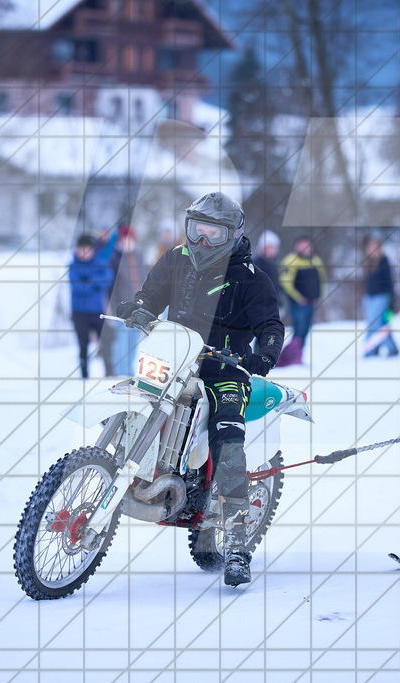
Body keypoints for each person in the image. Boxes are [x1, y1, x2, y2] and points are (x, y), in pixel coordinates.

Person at [115, 191, 283, 587]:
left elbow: (271, 327)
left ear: (233, 235)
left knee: (228, 436)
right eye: (197, 230)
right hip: (175, 358)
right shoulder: (177, 259)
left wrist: (264, 356)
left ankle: (238, 541)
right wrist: (139, 307)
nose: (203, 241)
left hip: (227, 369)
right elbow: (151, 295)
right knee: (133, 395)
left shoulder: (251, 278)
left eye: (214, 234)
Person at [69, 234, 114, 378]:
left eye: (87, 249)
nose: (84, 252)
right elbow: (77, 287)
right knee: (83, 345)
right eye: (81, 249)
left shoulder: (101, 262)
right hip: (79, 312)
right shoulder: (73, 265)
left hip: (97, 311)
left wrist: (88, 281)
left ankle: (109, 373)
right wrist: (94, 284)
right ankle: (84, 376)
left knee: (106, 342)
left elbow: (107, 279)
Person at [279, 236, 327, 366]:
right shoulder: (291, 260)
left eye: (307, 245)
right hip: (298, 303)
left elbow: (322, 279)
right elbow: (285, 281)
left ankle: (298, 356)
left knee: (305, 330)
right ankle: (289, 357)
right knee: (299, 330)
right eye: (302, 245)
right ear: (296, 246)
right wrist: (298, 297)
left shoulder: (316, 261)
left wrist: (320, 295)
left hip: (312, 302)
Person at [107, 225, 146, 376]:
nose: (126, 241)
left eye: (129, 237)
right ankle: (119, 373)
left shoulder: (139, 255)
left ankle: (129, 373)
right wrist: (113, 308)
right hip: (121, 309)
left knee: (132, 343)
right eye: (123, 238)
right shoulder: (115, 258)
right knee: (121, 343)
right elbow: (111, 288)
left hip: (138, 308)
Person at [360, 235, 399, 357]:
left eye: (375, 247)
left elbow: (389, 281)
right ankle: (390, 348)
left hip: (381, 297)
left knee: (375, 325)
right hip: (369, 298)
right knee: (379, 325)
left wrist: (391, 300)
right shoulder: (367, 262)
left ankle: (369, 349)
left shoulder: (384, 261)